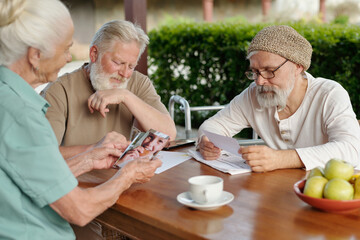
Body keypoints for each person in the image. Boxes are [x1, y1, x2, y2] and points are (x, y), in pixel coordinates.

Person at [0, 0, 161, 239]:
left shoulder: (8, 98)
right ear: (35, 55)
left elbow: (37, 175)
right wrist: (127, 175)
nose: (68, 58)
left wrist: (89, 157)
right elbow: (80, 210)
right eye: (65, 48)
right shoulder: (21, 115)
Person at [198, 25, 360, 172]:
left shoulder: (329, 94)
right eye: (255, 72)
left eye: (269, 71)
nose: (260, 81)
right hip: (279, 190)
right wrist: (207, 142)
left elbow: (351, 149)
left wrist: (281, 159)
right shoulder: (253, 94)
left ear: (298, 66)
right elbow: (212, 126)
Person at [41, 20, 176, 160]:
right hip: (75, 179)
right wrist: (95, 149)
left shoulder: (138, 82)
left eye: (131, 66)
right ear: (94, 54)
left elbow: (168, 134)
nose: (125, 74)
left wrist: (125, 96)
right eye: (118, 63)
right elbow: (42, 156)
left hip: (119, 176)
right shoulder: (57, 91)